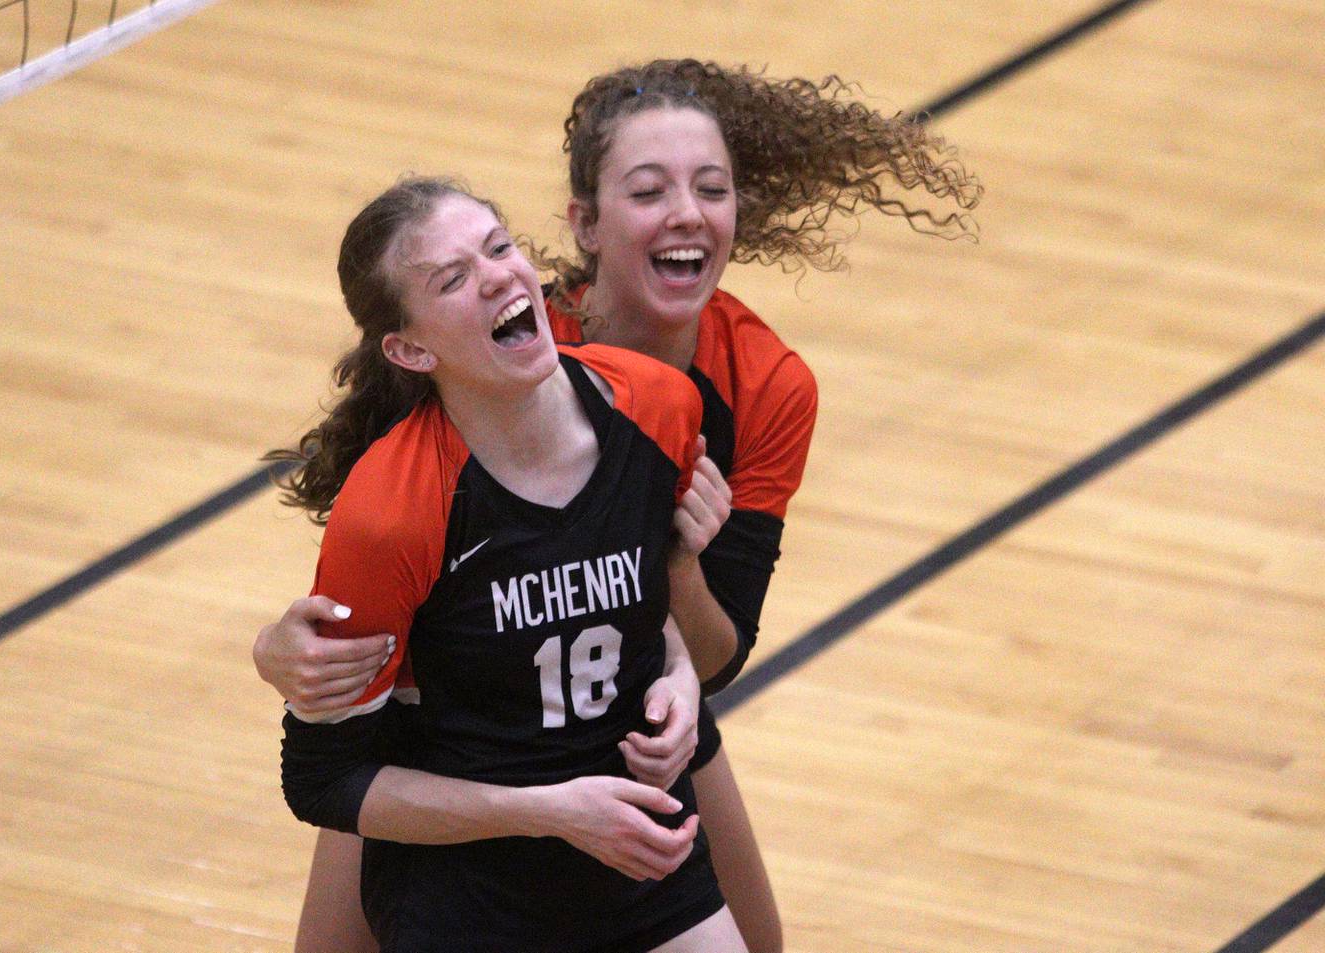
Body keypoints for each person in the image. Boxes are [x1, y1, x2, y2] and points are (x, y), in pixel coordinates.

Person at [258, 59, 981, 953]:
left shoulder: (750, 385)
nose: (686, 212)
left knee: (758, 941)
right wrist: (281, 649)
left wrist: (673, 584)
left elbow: (715, 654)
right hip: (452, 724)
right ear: (586, 228)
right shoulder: (508, 347)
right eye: (649, 190)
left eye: (711, 188)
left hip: (617, 702)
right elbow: (384, 561)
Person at [274, 176, 748, 953]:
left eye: (498, 247)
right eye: (453, 279)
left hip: (637, 850)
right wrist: (551, 809)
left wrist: (680, 683)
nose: (498, 274)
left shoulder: (659, 406)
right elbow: (322, 779)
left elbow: (643, 605)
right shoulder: (392, 511)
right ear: (410, 348)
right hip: (470, 887)